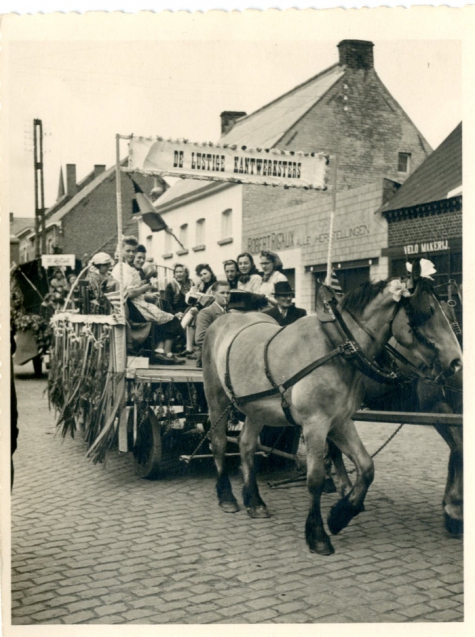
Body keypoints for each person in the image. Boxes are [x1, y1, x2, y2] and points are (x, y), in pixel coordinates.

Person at [111, 236, 183, 364]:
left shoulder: (127, 267)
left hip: (135, 303)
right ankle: (164, 352)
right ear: (121, 251)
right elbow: (128, 293)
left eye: (133, 251)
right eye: (128, 251)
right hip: (131, 306)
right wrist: (144, 287)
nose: (131, 254)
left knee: (164, 309)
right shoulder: (122, 268)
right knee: (171, 318)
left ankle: (162, 351)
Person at [180, 263, 217, 358]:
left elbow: (211, 298)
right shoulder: (202, 285)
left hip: (212, 308)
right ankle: (189, 348)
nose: (203, 277)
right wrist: (194, 289)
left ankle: (180, 333)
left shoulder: (215, 284)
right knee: (191, 311)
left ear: (211, 273)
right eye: (201, 275)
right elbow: (188, 300)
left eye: (205, 274)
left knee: (193, 311)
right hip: (203, 308)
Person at [195, 280, 230, 368]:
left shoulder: (229, 313)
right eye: (222, 293)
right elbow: (200, 339)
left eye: (228, 293)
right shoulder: (206, 312)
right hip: (210, 359)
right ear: (214, 294)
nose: (226, 296)